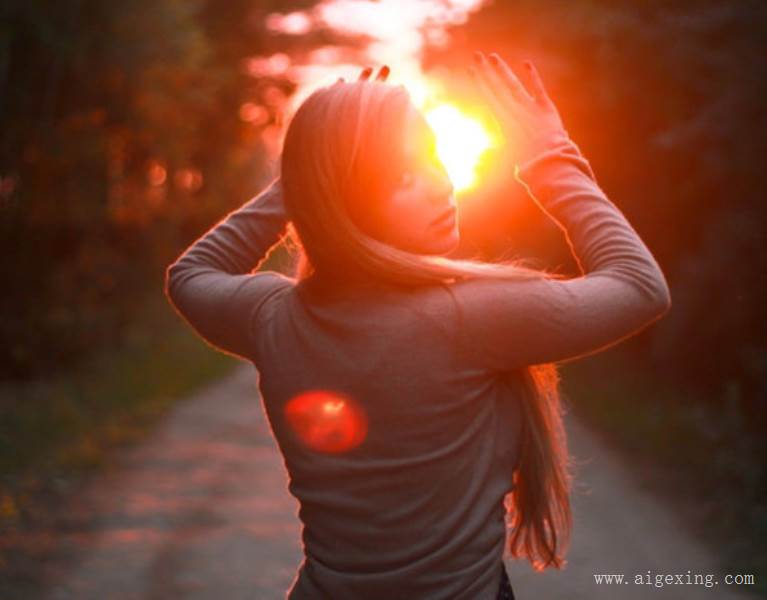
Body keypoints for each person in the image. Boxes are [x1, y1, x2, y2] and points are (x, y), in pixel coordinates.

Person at [165, 51, 672, 600]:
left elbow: (190, 274)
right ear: (344, 200)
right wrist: (550, 157)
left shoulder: (273, 318)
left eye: (434, 157)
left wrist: (300, 182)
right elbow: (640, 287)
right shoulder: (471, 318)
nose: (440, 185)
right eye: (404, 175)